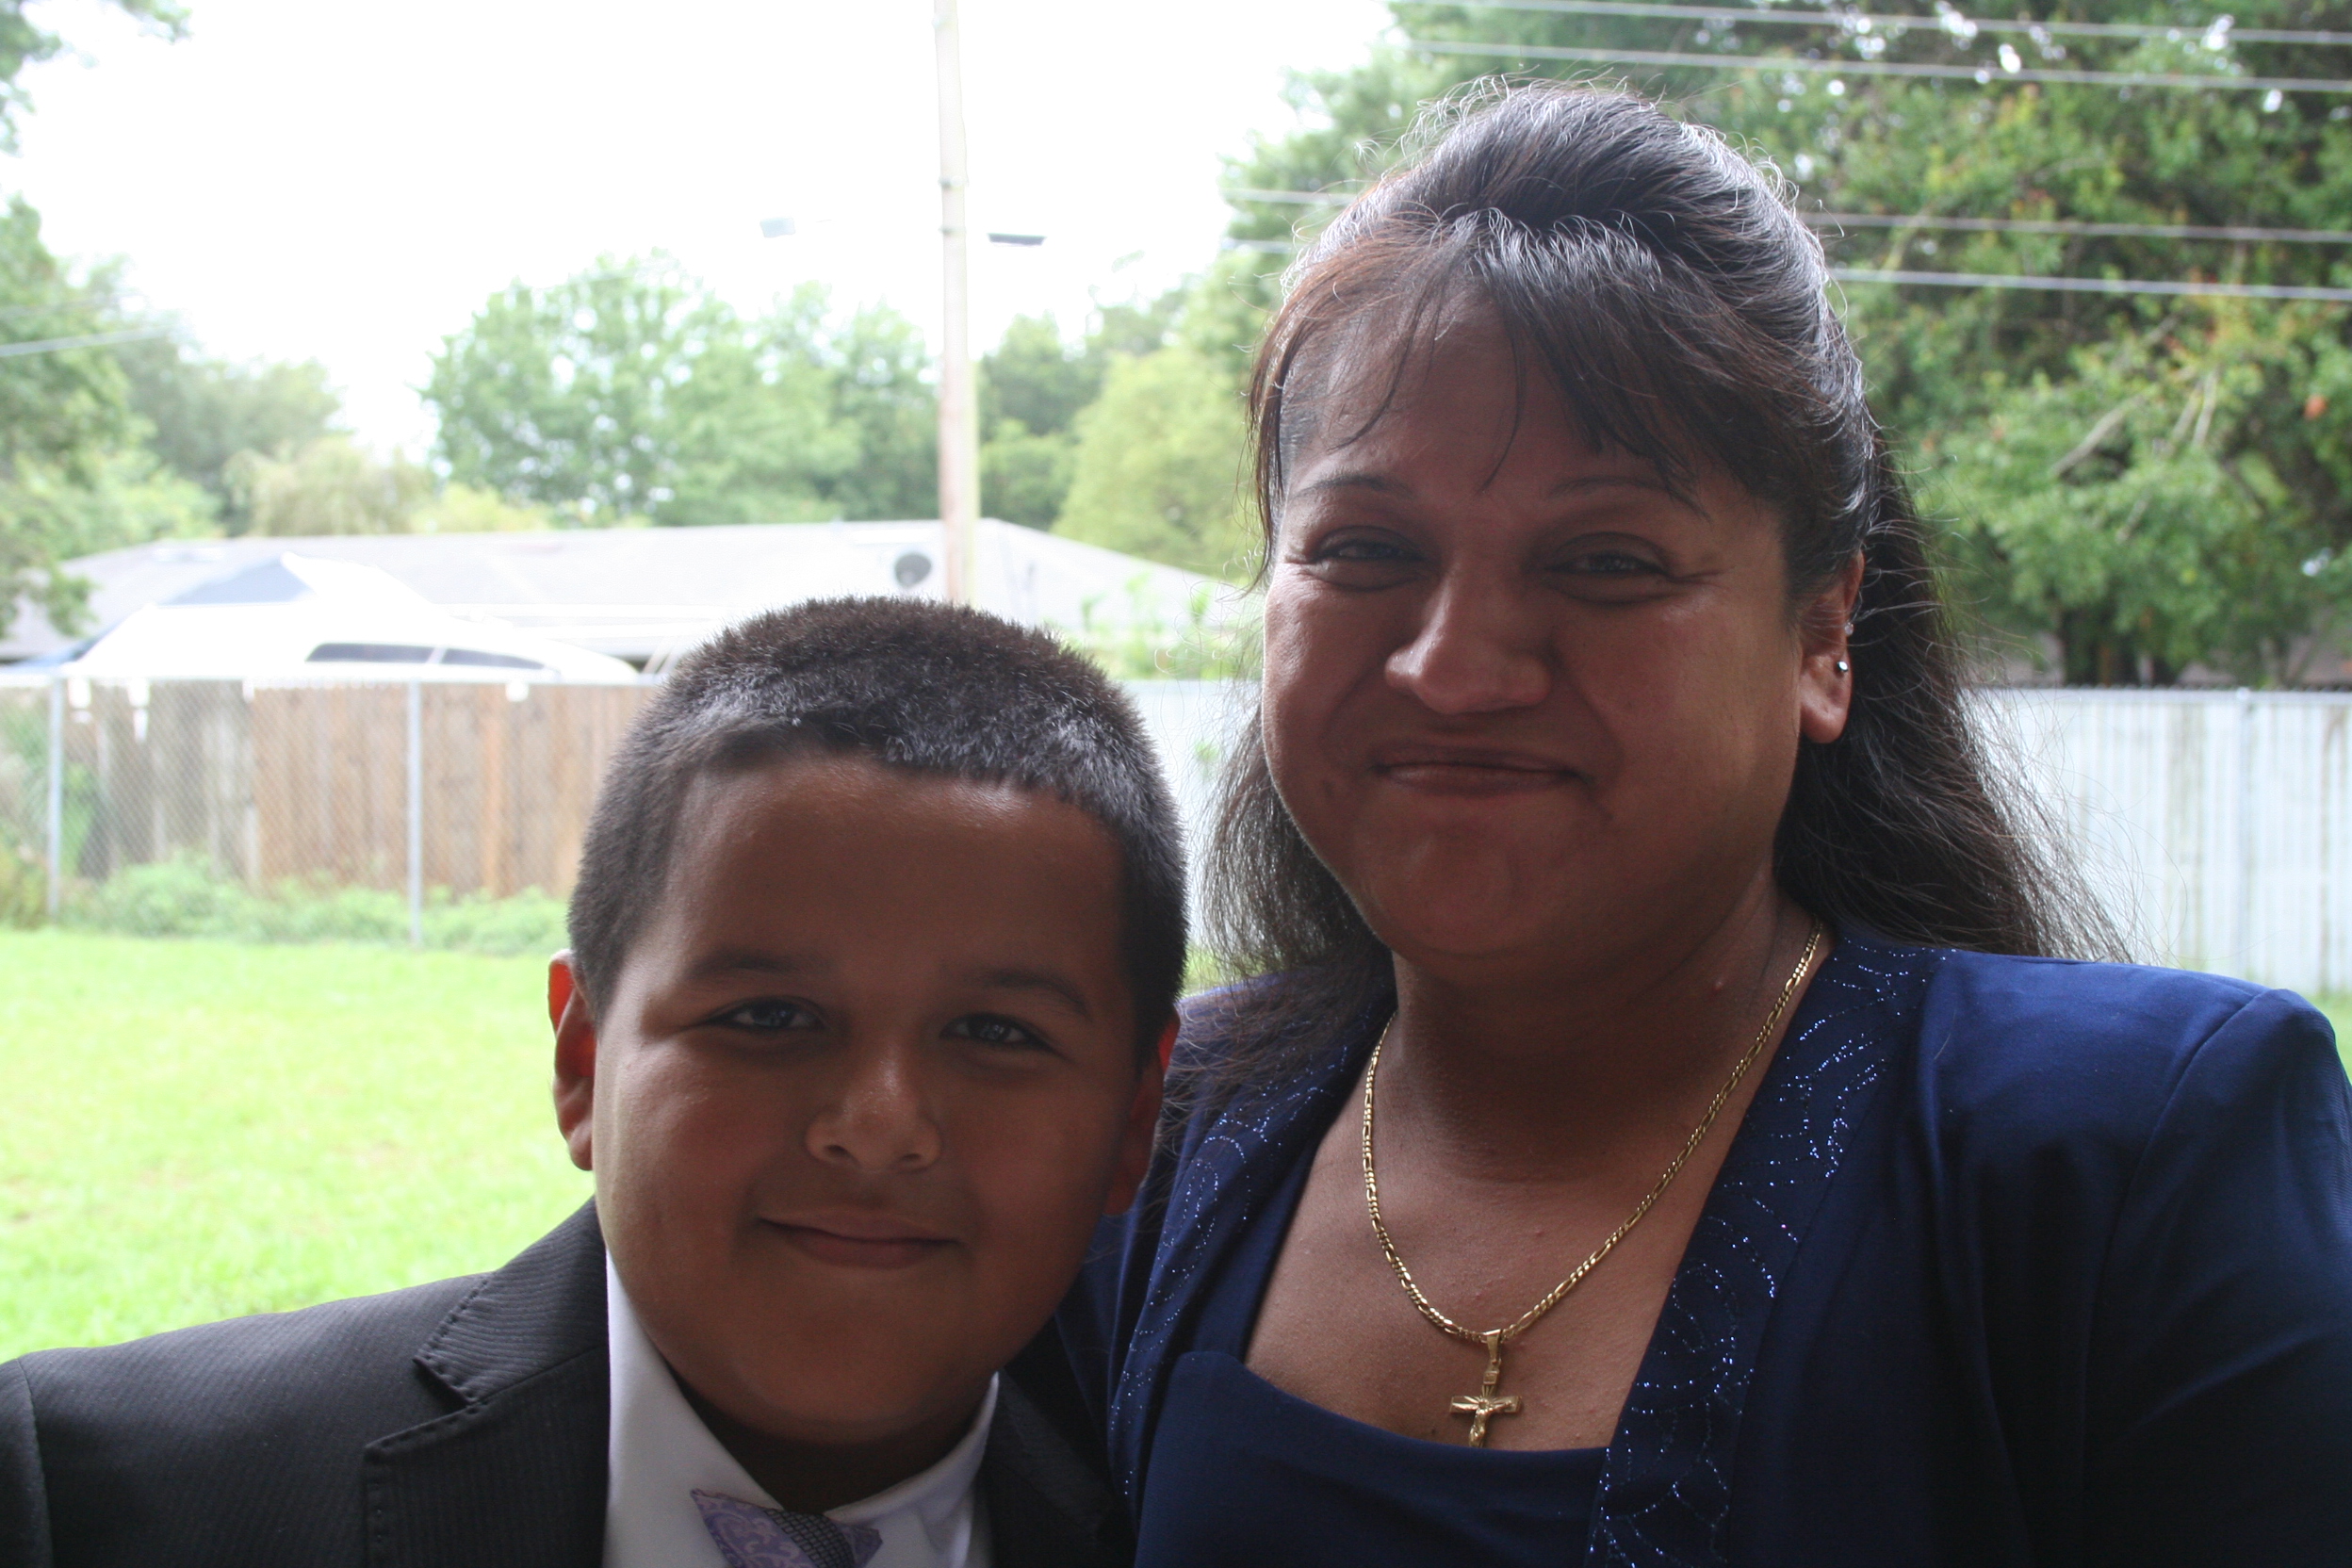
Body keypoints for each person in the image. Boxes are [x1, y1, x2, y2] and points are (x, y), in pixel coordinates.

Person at [1062, 84, 2352, 1566]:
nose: (1456, 668)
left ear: (1823, 636)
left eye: (1606, 561)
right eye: (1365, 548)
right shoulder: (1138, 1137)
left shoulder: (2129, 1167)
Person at [1, 597, 1182, 1568]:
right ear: (582, 1060)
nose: (877, 1125)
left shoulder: (1177, 1534)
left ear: (1135, 1117)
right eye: (768, 1016)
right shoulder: (91, 1495)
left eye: (995, 1032)